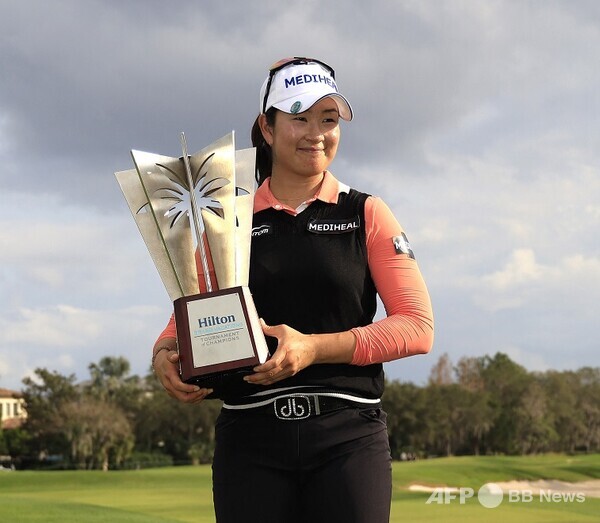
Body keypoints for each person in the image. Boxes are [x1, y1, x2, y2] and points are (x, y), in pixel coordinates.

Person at [152, 57, 434, 523]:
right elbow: (188, 315)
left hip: (348, 436)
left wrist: (312, 349)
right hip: (250, 440)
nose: (316, 133)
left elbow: (417, 327)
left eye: (328, 119)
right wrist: (164, 352)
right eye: (299, 118)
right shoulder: (227, 221)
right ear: (267, 127)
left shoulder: (366, 213)